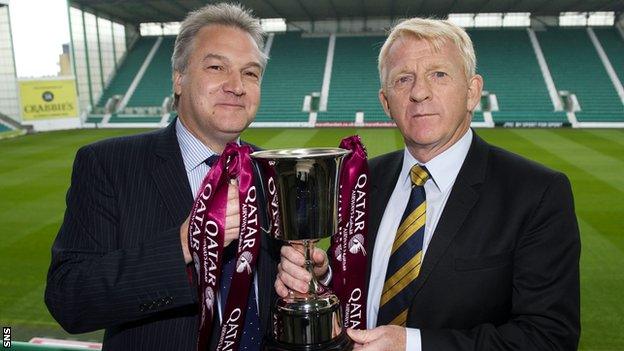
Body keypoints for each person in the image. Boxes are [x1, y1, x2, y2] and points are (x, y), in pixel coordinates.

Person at [277, 18, 580, 350]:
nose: (419, 92)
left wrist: (412, 345)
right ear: (386, 101)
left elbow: (549, 337)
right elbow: (356, 286)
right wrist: (324, 278)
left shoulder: (536, 193)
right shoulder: (359, 182)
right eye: (403, 79)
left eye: (439, 74)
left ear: (473, 92)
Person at [45, 3, 278, 350]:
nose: (236, 86)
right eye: (217, 67)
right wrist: (185, 244)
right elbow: (70, 298)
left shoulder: (270, 169)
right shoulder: (107, 165)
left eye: (250, 73)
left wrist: (308, 279)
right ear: (179, 77)